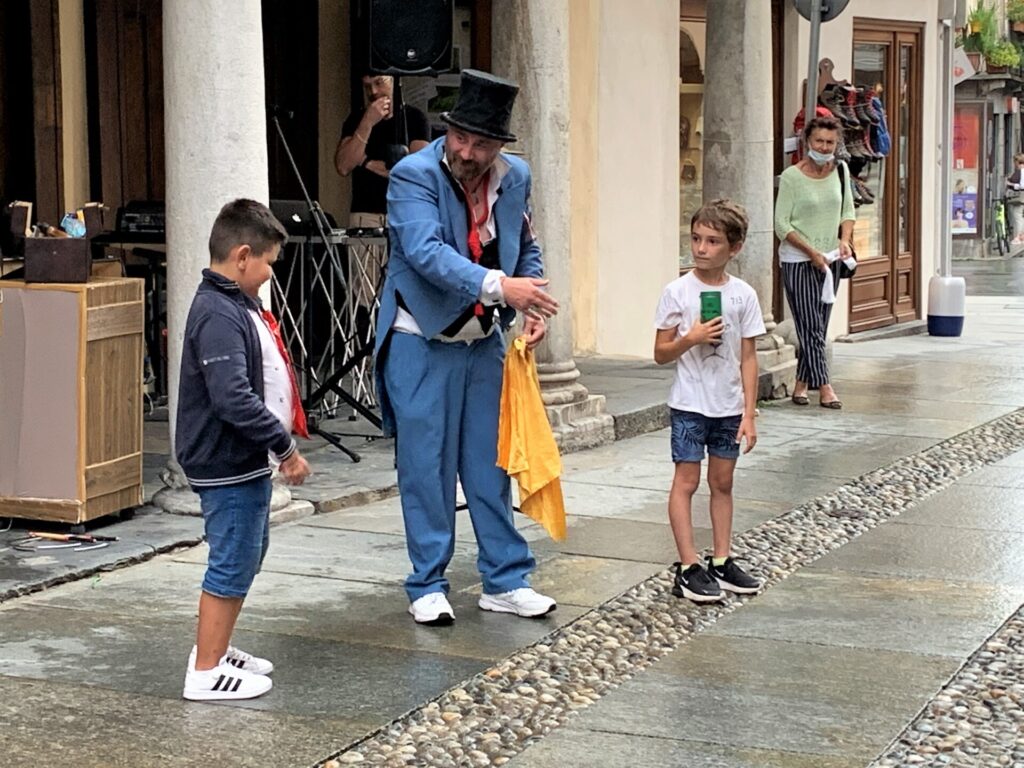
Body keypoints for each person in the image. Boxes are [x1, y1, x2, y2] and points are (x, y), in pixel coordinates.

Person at [375, 69, 561, 626]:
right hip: (420, 340)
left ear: (500, 146)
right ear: (447, 131)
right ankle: (427, 583)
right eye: (460, 138)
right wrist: (502, 286)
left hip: (484, 343)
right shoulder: (413, 176)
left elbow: (524, 243)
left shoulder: (516, 176)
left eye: (481, 143)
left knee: (491, 463)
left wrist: (532, 303)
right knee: (425, 468)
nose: (468, 151)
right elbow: (426, 252)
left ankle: (505, 579)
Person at [175, 199, 311, 701]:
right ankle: (205, 672)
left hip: (241, 460)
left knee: (250, 552)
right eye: (269, 263)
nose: (270, 273)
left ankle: (217, 645)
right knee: (232, 559)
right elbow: (231, 396)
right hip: (225, 460)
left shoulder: (233, 302)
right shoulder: (217, 311)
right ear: (242, 255)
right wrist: (284, 447)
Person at [654, 200, 766, 604]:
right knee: (686, 480)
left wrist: (749, 412)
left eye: (713, 241)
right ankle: (687, 565)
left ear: (733, 248)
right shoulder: (677, 291)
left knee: (723, 482)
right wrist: (690, 338)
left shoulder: (743, 295)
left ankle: (721, 558)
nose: (701, 248)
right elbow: (661, 352)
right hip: (689, 403)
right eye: (697, 239)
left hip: (729, 404)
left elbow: (749, 355)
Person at [774, 115, 855, 410]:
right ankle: (826, 386)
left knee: (819, 323)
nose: (824, 147)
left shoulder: (842, 171)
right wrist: (811, 252)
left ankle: (800, 384)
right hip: (798, 260)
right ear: (808, 141)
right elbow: (781, 224)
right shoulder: (792, 177)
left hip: (831, 260)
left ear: (837, 144)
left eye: (830, 142)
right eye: (819, 141)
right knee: (809, 325)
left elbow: (848, 212)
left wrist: (844, 240)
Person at [334, 73, 431, 227]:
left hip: (405, 213)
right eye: (367, 86)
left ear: (393, 81)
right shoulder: (356, 119)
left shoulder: (414, 118)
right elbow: (343, 166)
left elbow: (419, 173)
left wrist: (366, 163)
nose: (373, 91)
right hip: (365, 213)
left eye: (379, 83)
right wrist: (368, 121)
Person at [1005, 153, 1024, 244]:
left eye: (1015, 161)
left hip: (1021, 196)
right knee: (1019, 216)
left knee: (1018, 216)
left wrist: (1010, 184)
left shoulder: (1021, 171)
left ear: (1018, 161)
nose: (1014, 164)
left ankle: (1018, 237)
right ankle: (1020, 236)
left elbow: (1022, 186)